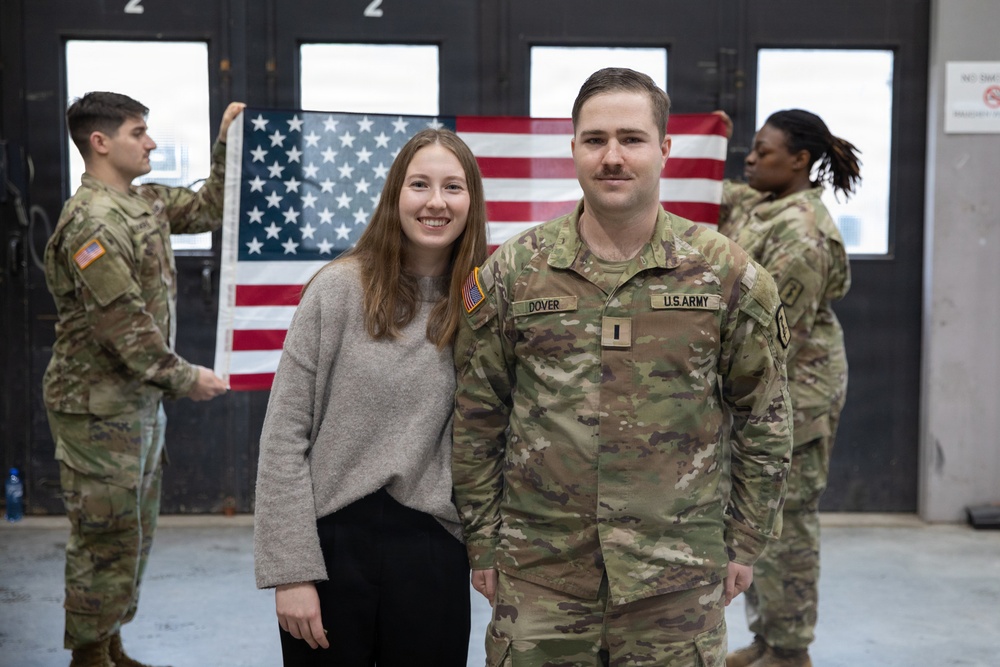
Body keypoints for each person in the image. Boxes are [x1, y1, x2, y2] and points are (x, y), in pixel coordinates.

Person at [452, 67, 794, 666]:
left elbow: (764, 419)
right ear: (574, 148)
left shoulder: (727, 275)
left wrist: (744, 542)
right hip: (541, 578)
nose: (612, 157)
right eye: (595, 140)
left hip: (677, 580)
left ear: (664, 149)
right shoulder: (515, 272)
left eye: (631, 139)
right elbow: (478, 417)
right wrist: (482, 542)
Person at [253, 127, 488, 666]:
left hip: (434, 548)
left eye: (453, 187)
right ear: (394, 196)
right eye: (419, 184)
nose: (435, 202)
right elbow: (284, 436)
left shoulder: (482, 306)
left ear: (471, 201)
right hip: (333, 546)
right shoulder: (337, 289)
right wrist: (291, 571)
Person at [43, 92, 244, 667]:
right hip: (95, 409)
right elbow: (124, 329)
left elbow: (210, 207)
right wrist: (188, 380)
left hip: (135, 404)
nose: (151, 142)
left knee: (133, 531)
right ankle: (88, 654)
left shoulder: (144, 203)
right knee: (103, 536)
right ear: (100, 142)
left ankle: (111, 643)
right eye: (138, 132)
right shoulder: (92, 222)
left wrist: (228, 141)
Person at [718, 109, 860, 667]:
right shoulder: (766, 203)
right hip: (763, 390)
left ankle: (791, 649)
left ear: (799, 161)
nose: (750, 159)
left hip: (795, 393)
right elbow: (721, 193)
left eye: (763, 151)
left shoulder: (802, 234)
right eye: (750, 148)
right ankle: (766, 639)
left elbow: (779, 338)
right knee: (755, 521)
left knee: (786, 523)